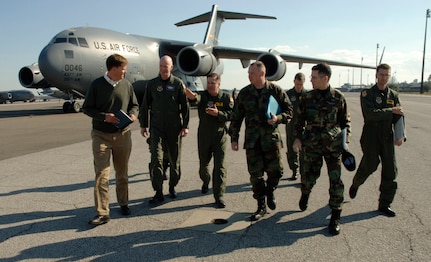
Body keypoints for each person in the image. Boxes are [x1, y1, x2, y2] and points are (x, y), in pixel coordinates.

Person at [229, 61, 293, 221]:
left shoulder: (275, 90)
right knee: (255, 177)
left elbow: (289, 111)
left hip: (271, 141)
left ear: (262, 74)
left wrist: (278, 118)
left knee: (277, 172)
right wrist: (234, 138)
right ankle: (261, 206)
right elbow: (236, 117)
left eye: (252, 73)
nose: (249, 76)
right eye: (249, 73)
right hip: (252, 142)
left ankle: (270, 190)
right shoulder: (244, 93)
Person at [292, 63, 351, 235]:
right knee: (309, 176)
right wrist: (297, 138)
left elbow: (345, 123)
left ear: (325, 78)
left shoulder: (338, 98)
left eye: (314, 77)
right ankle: (305, 192)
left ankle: (335, 216)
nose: (311, 79)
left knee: (336, 181)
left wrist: (345, 141)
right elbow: (299, 121)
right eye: (311, 77)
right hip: (311, 145)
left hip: (333, 147)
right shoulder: (308, 98)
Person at [82, 53, 139, 226]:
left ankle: (123, 203)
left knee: (122, 173)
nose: (125, 72)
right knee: (102, 175)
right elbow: (87, 108)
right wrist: (104, 116)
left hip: (123, 135)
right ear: (113, 69)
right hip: (101, 135)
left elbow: (134, 105)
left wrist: (133, 115)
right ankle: (102, 212)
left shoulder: (126, 84)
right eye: (123, 69)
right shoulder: (97, 85)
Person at [348, 63, 405, 217]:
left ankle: (384, 204)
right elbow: (370, 114)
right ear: (376, 75)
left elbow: (399, 115)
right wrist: (390, 110)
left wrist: (400, 135)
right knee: (370, 165)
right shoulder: (367, 94)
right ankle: (356, 183)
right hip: (371, 137)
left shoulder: (393, 95)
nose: (384, 77)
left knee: (390, 171)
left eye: (387, 75)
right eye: (381, 74)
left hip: (387, 138)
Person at [139, 55, 189, 203]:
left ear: (171, 67)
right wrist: (143, 125)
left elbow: (185, 107)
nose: (163, 69)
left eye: (166, 66)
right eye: (161, 66)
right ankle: (158, 191)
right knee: (156, 160)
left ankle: (172, 186)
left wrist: (185, 126)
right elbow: (145, 106)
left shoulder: (178, 84)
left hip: (174, 128)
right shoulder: (153, 84)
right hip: (157, 128)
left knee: (175, 161)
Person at [185, 73, 234, 208]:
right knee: (203, 166)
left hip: (220, 137)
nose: (211, 85)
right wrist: (189, 93)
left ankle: (219, 196)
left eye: (213, 83)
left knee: (220, 167)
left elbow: (232, 115)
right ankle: (206, 181)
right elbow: (196, 99)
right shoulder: (204, 95)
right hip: (204, 137)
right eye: (209, 83)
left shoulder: (225, 98)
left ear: (219, 84)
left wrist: (218, 114)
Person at [285, 72, 307, 181]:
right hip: (291, 127)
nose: (299, 87)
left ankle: (303, 174)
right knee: (291, 150)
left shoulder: (307, 95)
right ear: (294, 82)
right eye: (297, 84)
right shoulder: (288, 94)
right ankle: (294, 170)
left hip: (304, 128)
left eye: (301, 85)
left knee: (303, 152)